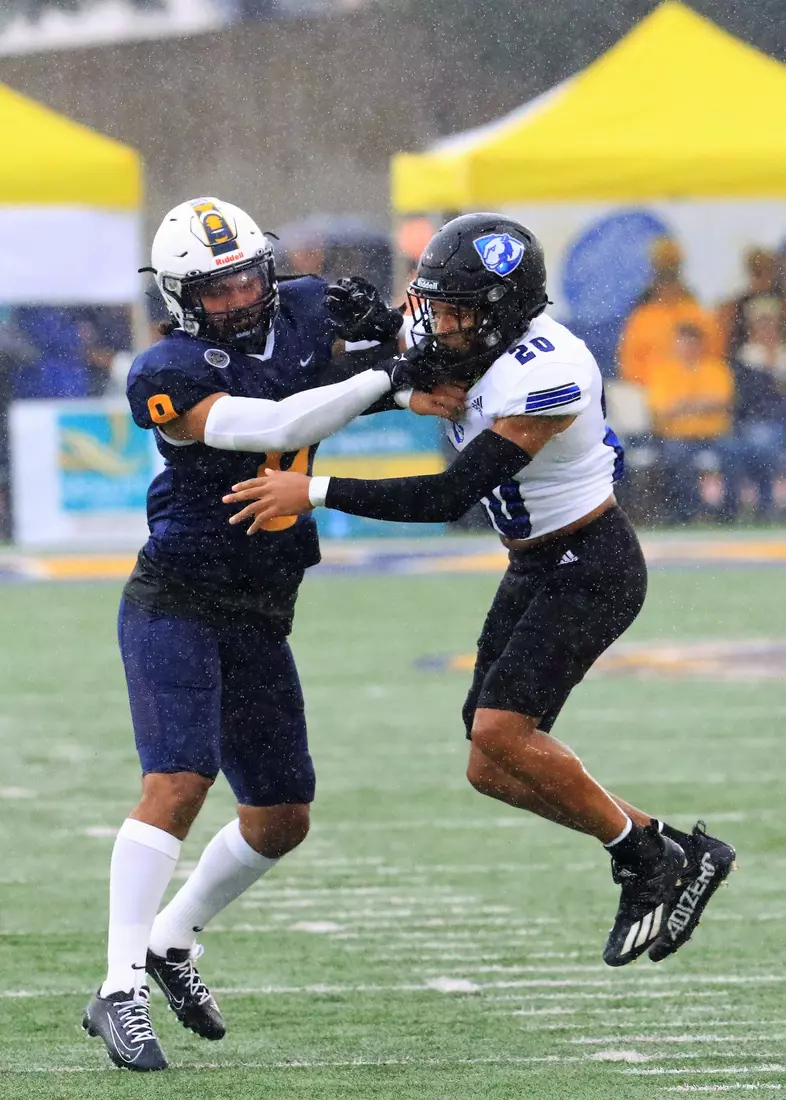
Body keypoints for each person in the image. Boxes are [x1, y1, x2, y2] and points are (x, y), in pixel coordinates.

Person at [225, 213, 737, 972]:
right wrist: (382, 334)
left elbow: (450, 495)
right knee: (490, 766)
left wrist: (317, 489)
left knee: (502, 733)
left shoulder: (546, 370)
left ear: (501, 313)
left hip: (591, 563)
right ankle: (662, 850)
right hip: (536, 565)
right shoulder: (476, 337)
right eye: (437, 303)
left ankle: (649, 859)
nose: (441, 322)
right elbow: (422, 350)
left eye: (459, 309)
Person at [82, 196, 465, 1072]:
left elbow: (398, 336)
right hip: (178, 596)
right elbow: (282, 424)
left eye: (251, 273)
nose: (244, 295)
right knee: (177, 782)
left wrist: (403, 330)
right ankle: (117, 987)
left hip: (264, 602)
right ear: (180, 298)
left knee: (281, 815)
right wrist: (391, 375)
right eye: (218, 288)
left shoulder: (302, 306)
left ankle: (171, 942)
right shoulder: (165, 370)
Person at [646, 321, 737, 524]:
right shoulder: (663, 371)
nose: (688, 349)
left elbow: (723, 401)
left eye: (692, 344)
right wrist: (700, 402)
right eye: (683, 343)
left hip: (715, 434)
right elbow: (663, 409)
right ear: (675, 345)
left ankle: (727, 512)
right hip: (677, 436)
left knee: (734, 453)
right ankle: (686, 512)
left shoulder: (716, 368)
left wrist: (684, 403)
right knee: (675, 458)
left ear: (701, 345)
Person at [618, 237, 722, 387]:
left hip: (696, 394)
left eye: (670, 278)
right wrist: (658, 386)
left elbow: (714, 357)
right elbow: (629, 365)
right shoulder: (641, 318)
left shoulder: (697, 313)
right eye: (663, 279)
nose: (667, 287)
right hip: (653, 393)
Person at [728, 296, 786, 517]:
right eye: (761, 323)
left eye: (770, 322)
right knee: (762, 445)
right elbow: (751, 398)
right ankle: (766, 502)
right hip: (760, 420)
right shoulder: (745, 358)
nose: (767, 329)